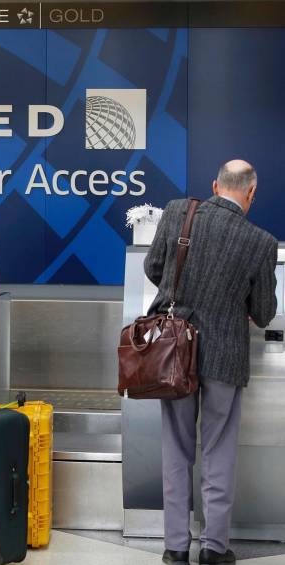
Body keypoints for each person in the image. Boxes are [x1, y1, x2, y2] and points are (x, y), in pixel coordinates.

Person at [144, 160, 277, 565]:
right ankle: (215, 549)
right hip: (225, 356)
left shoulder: (177, 212)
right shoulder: (261, 242)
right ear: (251, 193)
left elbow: (153, 268)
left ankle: (176, 548)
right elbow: (265, 311)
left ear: (215, 184)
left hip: (173, 353)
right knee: (219, 451)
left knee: (176, 449)